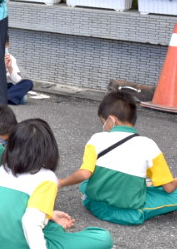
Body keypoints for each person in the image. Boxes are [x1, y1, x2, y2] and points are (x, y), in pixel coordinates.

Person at [0, 119, 115, 249]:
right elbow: (30, 223)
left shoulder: (5, 168)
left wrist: (49, 214)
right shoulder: (46, 178)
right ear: (48, 149)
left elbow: (5, 208)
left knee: (53, 227)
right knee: (103, 239)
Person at [59, 90, 177, 225]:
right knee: (168, 190)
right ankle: (146, 186)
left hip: (93, 204)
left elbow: (85, 174)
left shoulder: (96, 139)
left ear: (111, 120)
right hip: (129, 214)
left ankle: (145, 184)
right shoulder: (149, 145)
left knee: (85, 183)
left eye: (102, 122)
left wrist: (62, 182)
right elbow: (168, 188)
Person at [4, 39, 34, 105]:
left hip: (9, 86)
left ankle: (4, 97)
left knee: (29, 83)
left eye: (5, 45)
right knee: (22, 99)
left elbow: (17, 81)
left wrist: (10, 68)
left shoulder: (11, 58)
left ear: (7, 45)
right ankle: (9, 97)